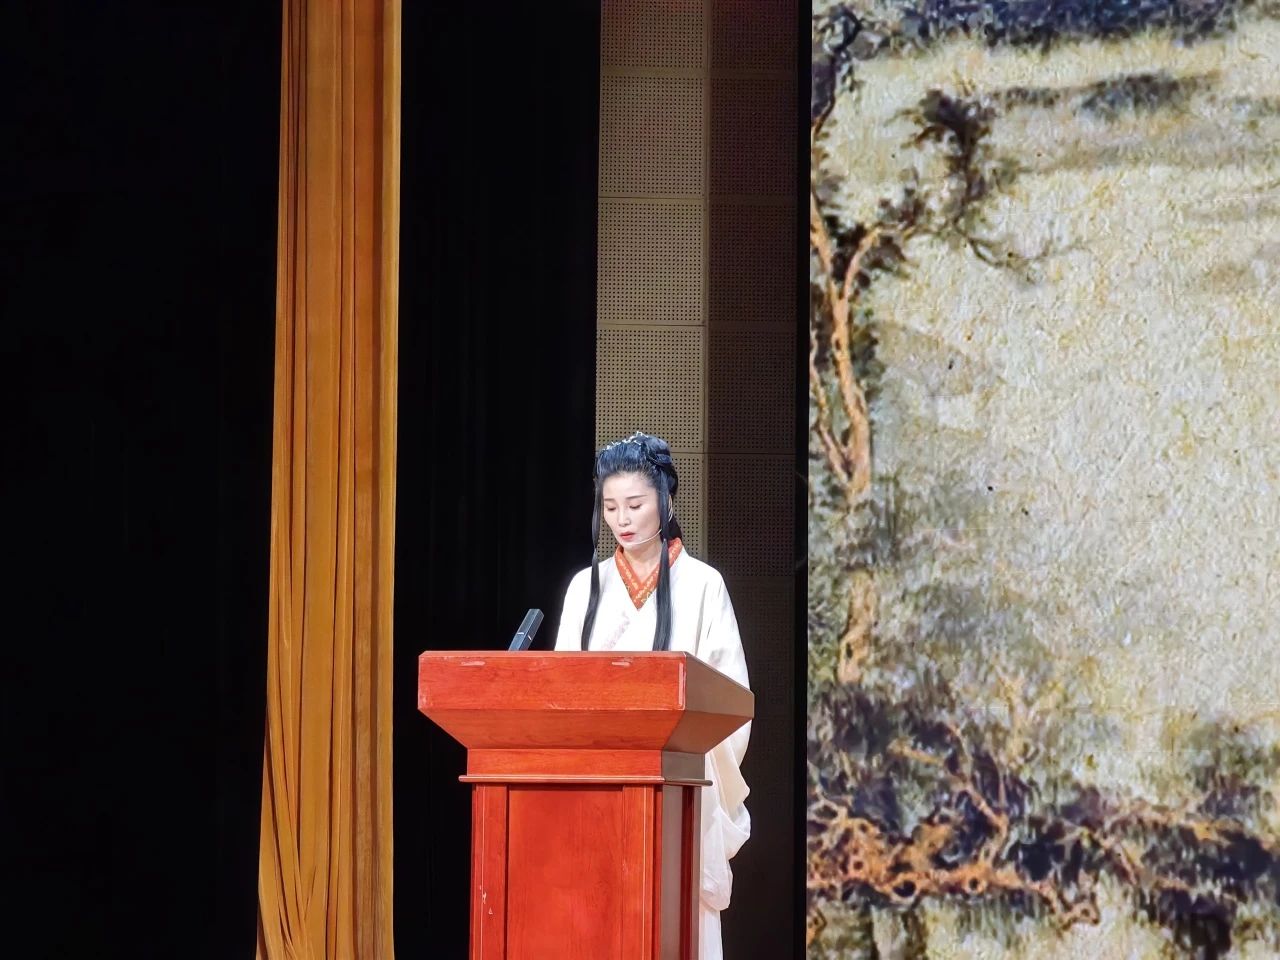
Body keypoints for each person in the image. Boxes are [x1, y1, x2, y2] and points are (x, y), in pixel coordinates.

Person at [554, 431, 751, 960]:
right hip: (597, 792)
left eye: (635, 504)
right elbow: (560, 694)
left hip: (681, 790)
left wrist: (683, 750)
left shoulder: (703, 585)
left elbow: (731, 703)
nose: (622, 518)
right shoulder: (585, 588)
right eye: (610, 506)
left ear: (666, 500)